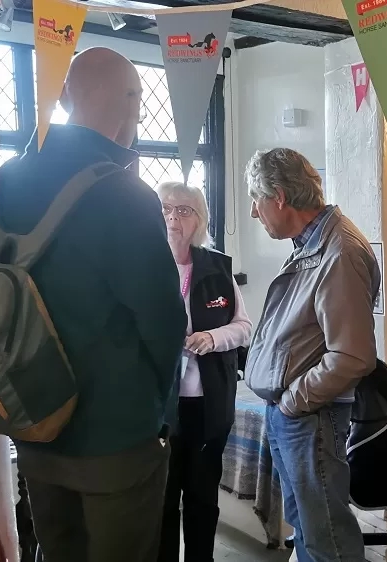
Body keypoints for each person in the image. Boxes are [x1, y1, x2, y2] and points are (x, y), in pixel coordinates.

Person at [0, 47, 187, 561]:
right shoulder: (124, 194)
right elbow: (164, 324)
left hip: (34, 424)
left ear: (67, 97)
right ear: (134, 102)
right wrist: (158, 413)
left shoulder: (7, 180)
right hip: (114, 436)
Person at [243, 148, 380, 562]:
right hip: (297, 416)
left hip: (311, 417)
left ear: (280, 197)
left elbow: (353, 356)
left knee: (326, 540)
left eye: (256, 199)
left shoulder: (339, 251)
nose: (254, 212)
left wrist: (291, 402)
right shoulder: (314, 243)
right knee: (307, 529)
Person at [155, 181, 252, 562]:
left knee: (201, 496)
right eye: (165, 208)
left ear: (200, 220)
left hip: (208, 405)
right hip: (160, 408)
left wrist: (211, 338)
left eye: (183, 209)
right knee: (163, 500)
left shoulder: (216, 267)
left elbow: (243, 327)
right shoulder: (145, 265)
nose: (172, 217)